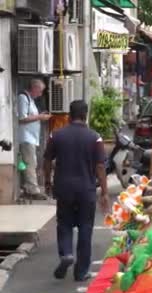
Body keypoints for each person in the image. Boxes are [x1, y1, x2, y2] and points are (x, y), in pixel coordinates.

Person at [43, 100, 109, 281]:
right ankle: (81, 272)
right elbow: (100, 166)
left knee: (64, 223)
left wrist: (47, 182)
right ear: (85, 115)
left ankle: (66, 254)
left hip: (63, 188)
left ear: (70, 115)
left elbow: (47, 160)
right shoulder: (94, 137)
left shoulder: (56, 136)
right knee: (85, 228)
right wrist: (104, 192)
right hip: (86, 190)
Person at [18, 79, 51, 199]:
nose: (41, 94)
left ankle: (28, 188)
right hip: (26, 137)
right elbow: (22, 118)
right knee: (30, 163)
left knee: (32, 162)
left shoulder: (30, 100)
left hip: (31, 137)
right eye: (40, 91)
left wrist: (39, 115)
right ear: (35, 88)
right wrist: (40, 117)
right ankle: (33, 190)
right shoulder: (23, 97)